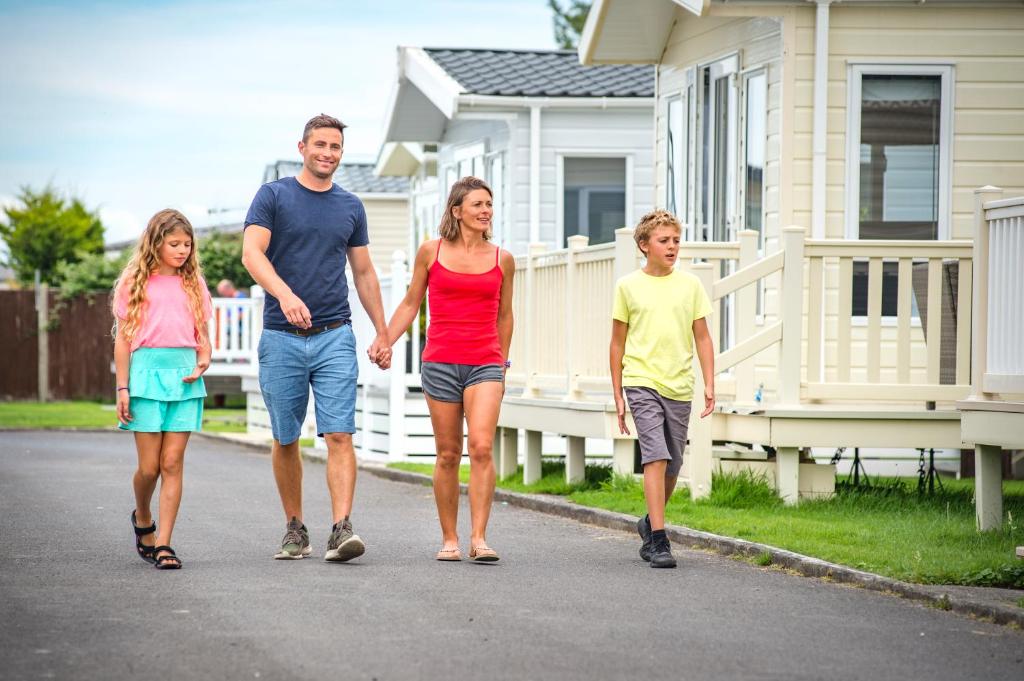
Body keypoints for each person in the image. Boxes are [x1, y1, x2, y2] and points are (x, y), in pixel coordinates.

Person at [242, 114, 391, 562]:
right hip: (281, 337)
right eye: (321, 144)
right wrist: (284, 294)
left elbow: (363, 272)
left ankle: (341, 528)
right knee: (286, 437)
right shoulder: (274, 196)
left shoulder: (350, 206)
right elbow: (252, 253)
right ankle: (294, 527)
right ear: (303, 147)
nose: (328, 152)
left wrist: (382, 331)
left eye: (336, 147)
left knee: (340, 434)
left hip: (334, 335)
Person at [384, 176, 515, 562]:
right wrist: (385, 340)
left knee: (481, 447)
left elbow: (505, 317)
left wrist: (502, 365)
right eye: (478, 204)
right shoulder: (431, 251)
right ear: (457, 211)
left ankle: (479, 538)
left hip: (485, 362)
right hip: (440, 361)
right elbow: (411, 304)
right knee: (446, 454)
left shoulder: (502, 259)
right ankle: (449, 538)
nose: (486, 211)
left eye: (489, 204)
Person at [609, 210, 715, 569]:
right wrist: (618, 394)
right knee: (655, 456)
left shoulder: (690, 285)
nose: (672, 247)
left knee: (673, 463)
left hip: (679, 384)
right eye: (664, 241)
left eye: (676, 241)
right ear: (644, 245)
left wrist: (710, 382)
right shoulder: (628, 286)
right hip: (641, 380)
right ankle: (659, 539)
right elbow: (616, 344)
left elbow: (702, 336)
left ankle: (648, 522)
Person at [113, 208, 213, 570]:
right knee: (149, 468)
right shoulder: (134, 284)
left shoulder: (194, 283)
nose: (183, 250)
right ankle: (142, 516)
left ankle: (165, 544)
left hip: (185, 378)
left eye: (187, 244)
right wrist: (122, 388)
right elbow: (123, 342)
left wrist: (204, 358)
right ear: (155, 243)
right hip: (145, 378)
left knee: (172, 463)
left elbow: (203, 336)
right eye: (174, 243)